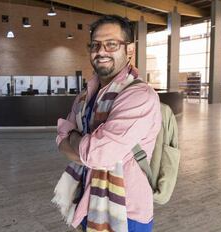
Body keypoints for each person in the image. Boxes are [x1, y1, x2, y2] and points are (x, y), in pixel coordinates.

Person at [55, 15, 161, 232]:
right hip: (87, 200)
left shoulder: (139, 96)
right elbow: (60, 137)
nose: (101, 51)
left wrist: (73, 137)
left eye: (111, 44)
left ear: (129, 50)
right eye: (95, 45)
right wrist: (81, 144)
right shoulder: (87, 94)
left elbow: (96, 155)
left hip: (127, 212)